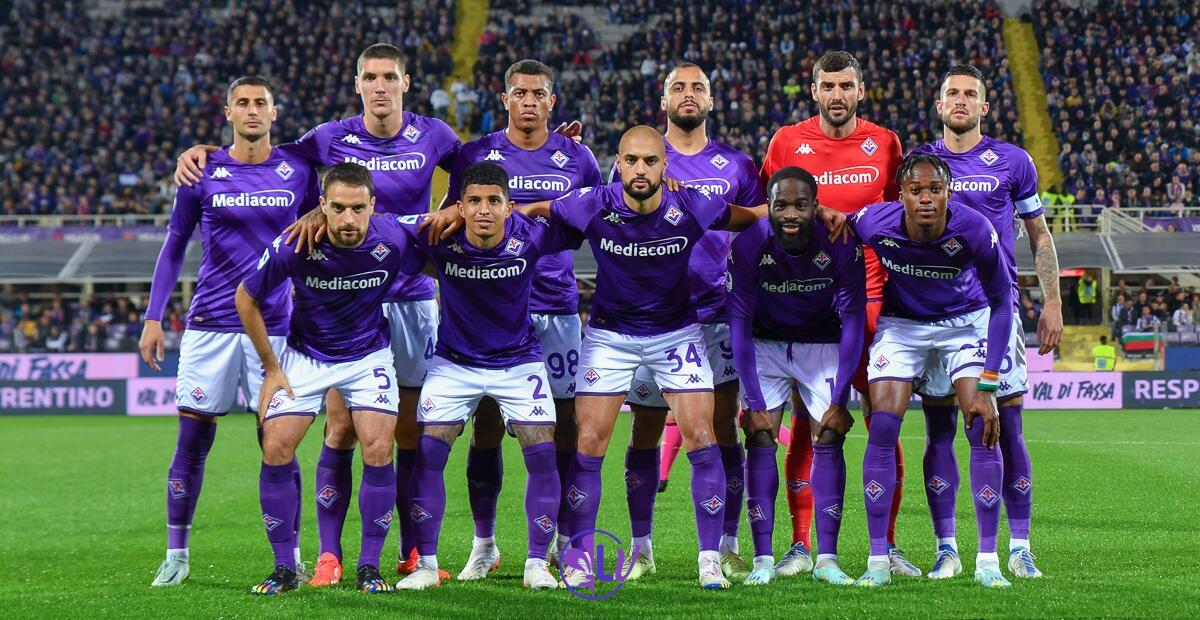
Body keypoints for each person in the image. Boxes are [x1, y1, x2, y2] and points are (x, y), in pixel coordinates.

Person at [175, 43, 462, 584]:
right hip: (331, 327)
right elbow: (263, 151)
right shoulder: (328, 139)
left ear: (405, 82)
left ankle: (409, 555)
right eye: (371, 77)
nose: (381, 86)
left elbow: (478, 177)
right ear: (358, 83)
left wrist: (458, 212)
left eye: (389, 78)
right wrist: (208, 153)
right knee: (338, 431)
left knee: (405, 434)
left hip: (409, 302)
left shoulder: (436, 135)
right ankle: (324, 559)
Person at [141, 76, 319, 588]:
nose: (252, 110)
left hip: (281, 327)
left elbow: (320, 228)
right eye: (242, 103)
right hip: (210, 326)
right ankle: (176, 554)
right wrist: (154, 318)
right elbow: (175, 245)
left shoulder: (299, 169)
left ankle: (291, 556)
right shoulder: (201, 170)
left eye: (260, 102)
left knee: (278, 442)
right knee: (192, 442)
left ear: (275, 112)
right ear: (228, 113)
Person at [440, 60, 602, 581]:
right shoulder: (475, 154)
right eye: (519, 92)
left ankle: (561, 543)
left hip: (554, 305)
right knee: (484, 428)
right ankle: (484, 544)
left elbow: (593, 220)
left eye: (539, 93)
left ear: (552, 102)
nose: (529, 100)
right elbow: (450, 220)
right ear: (504, 98)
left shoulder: (578, 157)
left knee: (562, 428)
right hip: (487, 308)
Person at [236, 163, 426, 595]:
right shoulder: (296, 243)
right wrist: (271, 367)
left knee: (379, 446)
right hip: (307, 356)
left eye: (357, 208)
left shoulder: (393, 235)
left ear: (373, 206)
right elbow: (245, 297)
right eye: (337, 207)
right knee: (276, 443)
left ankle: (369, 566)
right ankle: (285, 566)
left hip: (367, 355)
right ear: (321, 205)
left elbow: (441, 227)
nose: (347, 219)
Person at [759, 50, 913, 578]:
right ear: (814, 91)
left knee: (881, 424)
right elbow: (768, 216)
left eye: (846, 85)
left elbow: (903, 217)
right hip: (806, 302)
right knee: (808, 423)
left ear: (861, 90)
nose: (837, 95)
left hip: (872, 302)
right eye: (828, 85)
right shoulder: (786, 142)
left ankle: (885, 545)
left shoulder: (886, 144)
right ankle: (802, 545)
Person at [612, 62, 767, 582]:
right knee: (645, 433)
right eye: (678, 86)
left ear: (711, 100)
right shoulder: (642, 159)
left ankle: (724, 545)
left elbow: (757, 229)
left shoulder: (738, 166)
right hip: (650, 318)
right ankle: (641, 548)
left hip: (716, 316)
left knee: (722, 430)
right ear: (664, 99)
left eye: (698, 86)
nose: (688, 94)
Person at [398, 162, 582, 591]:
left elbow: (582, 215)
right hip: (454, 363)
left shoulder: (531, 234)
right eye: (474, 202)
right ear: (459, 206)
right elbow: (383, 222)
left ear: (509, 207)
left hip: (519, 362)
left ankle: (537, 562)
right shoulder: (440, 237)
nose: (483, 211)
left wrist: (546, 202)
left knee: (542, 452)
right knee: (428, 455)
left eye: (493, 202)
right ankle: (426, 564)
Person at [909, 64, 1062, 579]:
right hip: (934, 313)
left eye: (969, 94)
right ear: (938, 105)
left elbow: (1039, 236)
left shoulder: (1013, 161)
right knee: (939, 431)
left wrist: (1053, 303)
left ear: (984, 107)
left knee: (1007, 429)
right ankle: (946, 546)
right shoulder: (919, 165)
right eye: (951, 92)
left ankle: (1017, 546)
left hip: (995, 314)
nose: (960, 100)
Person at [851, 154, 1013, 589]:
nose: (926, 199)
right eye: (916, 191)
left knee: (980, 424)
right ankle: (877, 560)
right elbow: (834, 228)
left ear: (949, 192)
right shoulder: (872, 222)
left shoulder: (975, 228)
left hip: (965, 321)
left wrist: (989, 382)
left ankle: (987, 560)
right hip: (902, 326)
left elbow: (1003, 302)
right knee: (882, 428)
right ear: (900, 194)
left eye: (935, 190)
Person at [728, 167, 865, 586]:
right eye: (781, 205)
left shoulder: (841, 243)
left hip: (821, 345)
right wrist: (751, 403)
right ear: (768, 205)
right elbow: (738, 320)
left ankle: (826, 559)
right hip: (765, 344)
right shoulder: (750, 243)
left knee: (829, 434)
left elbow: (855, 319)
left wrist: (841, 398)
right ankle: (763, 559)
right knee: (760, 435)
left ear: (815, 206)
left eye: (800, 205)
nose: (790, 213)